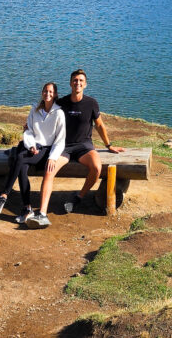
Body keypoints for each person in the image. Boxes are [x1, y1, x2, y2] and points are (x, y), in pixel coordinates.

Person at [28, 68, 124, 228]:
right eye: (75, 80)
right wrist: (30, 125)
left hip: (84, 146)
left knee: (96, 168)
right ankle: (42, 213)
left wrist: (109, 145)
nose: (77, 83)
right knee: (49, 169)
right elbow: (44, 113)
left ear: (85, 84)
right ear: (70, 83)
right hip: (63, 147)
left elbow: (99, 125)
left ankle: (79, 196)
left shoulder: (91, 103)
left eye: (80, 81)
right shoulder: (61, 102)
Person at [0, 82, 65, 225]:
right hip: (32, 149)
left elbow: (60, 140)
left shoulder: (59, 113)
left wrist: (53, 158)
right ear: (42, 93)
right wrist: (31, 146)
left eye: (50, 92)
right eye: (45, 91)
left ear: (55, 94)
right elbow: (28, 131)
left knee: (19, 157)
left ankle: (4, 195)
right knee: (22, 169)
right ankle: (27, 209)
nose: (47, 94)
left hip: (47, 151)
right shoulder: (34, 110)